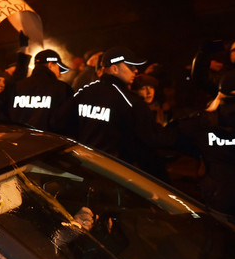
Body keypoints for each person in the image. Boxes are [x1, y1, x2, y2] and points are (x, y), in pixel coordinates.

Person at [57, 46, 177, 180]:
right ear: (114, 69)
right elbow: (151, 139)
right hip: (116, 175)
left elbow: (59, 122)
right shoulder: (130, 101)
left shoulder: (85, 92)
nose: (135, 71)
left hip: (85, 167)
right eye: (131, 67)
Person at [176, 69, 235, 222]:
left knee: (224, 239)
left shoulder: (205, 120)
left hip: (219, 198)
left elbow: (173, 135)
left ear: (221, 92)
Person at [9, 49, 73, 131]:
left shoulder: (17, 86)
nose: (60, 74)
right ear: (50, 65)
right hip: (51, 142)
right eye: (59, 69)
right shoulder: (63, 88)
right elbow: (67, 120)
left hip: (19, 139)